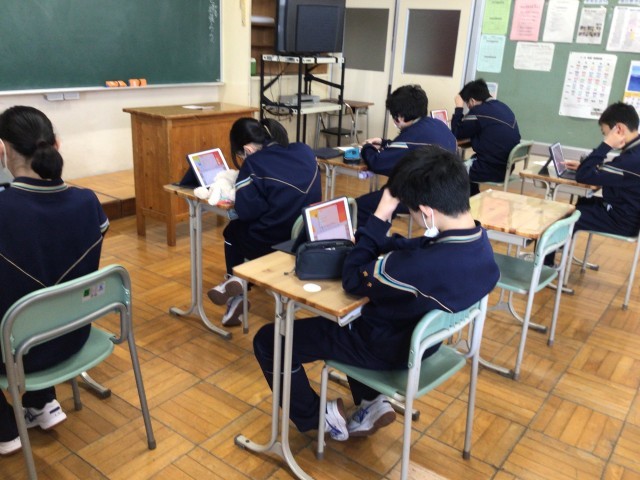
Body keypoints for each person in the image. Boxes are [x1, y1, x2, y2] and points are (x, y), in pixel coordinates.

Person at [253, 145, 499, 441]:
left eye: (411, 210)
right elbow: (421, 247)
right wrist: (375, 241)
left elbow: (352, 278)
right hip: (426, 341)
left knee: (271, 340)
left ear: (426, 213)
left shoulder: (414, 268)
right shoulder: (479, 243)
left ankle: (315, 418)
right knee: (355, 317)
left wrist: (381, 214)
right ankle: (371, 402)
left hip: (387, 348)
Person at [0, 106, 109, 455]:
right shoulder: (88, 201)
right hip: (73, 334)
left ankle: (6, 429)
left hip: (21, 352)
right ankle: (42, 402)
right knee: (39, 292)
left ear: (3, 150)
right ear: (56, 144)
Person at [207, 118, 322, 326]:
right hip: (304, 237)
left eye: (241, 155)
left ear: (248, 149)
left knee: (232, 232)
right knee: (248, 229)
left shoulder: (254, 163)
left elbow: (247, 212)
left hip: (272, 242)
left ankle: (237, 290)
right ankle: (239, 282)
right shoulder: (303, 150)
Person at [545, 102, 640, 265]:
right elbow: (616, 173)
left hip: (622, 220)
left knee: (558, 220)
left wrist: (607, 145)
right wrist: (587, 167)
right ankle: (555, 247)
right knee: (581, 203)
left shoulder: (632, 159)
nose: (605, 137)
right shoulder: (635, 152)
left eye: (605, 133)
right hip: (624, 210)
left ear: (619, 129)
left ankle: (544, 267)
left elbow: (583, 176)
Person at [356, 84, 457, 227]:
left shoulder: (412, 134)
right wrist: (385, 143)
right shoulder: (438, 125)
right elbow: (412, 147)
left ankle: (366, 239)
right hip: (446, 191)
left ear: (400, 117)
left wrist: (367, 147)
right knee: (386, 191)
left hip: (424, 197)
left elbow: (377, 163)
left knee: (361, 206)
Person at [451, 79, 521, 196]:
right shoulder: (503, 107)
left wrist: (458, 107)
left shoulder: (479, 111)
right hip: (505, 168)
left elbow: (456, 133)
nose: (468, 107)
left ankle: (466, 202)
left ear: (472, 101)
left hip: (489, 169)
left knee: (451, 172)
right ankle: (474, 198)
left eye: (467, 104)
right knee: (470, 161)